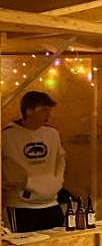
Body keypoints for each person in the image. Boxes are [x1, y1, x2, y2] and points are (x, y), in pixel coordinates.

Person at [2, 91, 67, 233]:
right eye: (44, 110)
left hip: (51, 203)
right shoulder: (7, 135)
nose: (49, 115)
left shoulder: (52, 134)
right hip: (21, 206)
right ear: (29, 110)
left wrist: (58, 181)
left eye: (50, 111)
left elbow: (61, 158)